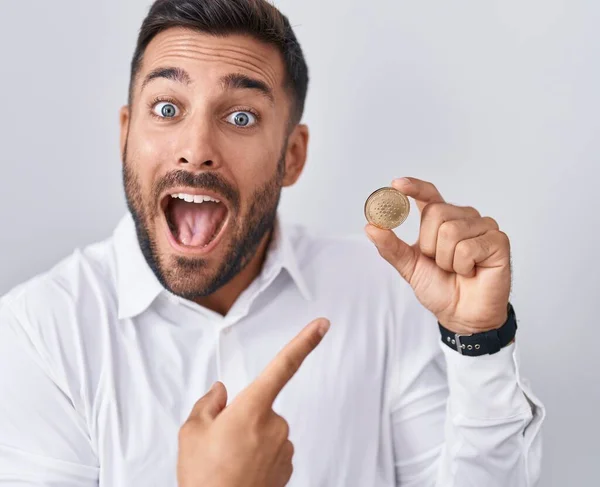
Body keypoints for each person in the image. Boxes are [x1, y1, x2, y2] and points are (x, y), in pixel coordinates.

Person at [0, 0, 545, 486]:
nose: (196, 149)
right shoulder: (38, 333)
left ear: (292, 156)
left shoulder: (383, 293)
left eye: (240, 116)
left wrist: (479, 342)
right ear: (125, 134)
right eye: (167, 109)